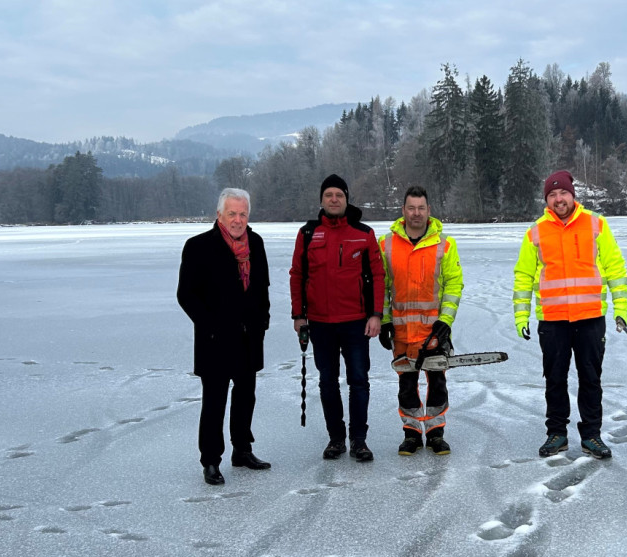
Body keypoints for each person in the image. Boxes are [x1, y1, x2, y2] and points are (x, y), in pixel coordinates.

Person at [513, 170, 627, 460]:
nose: (558, 199)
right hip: (552, 320)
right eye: (552, 195)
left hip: (590, 318)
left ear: (572, 195)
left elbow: (615, 268)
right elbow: (523, 276)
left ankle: (591, 435)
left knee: (590, 379)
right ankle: (557, 434)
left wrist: (621, 310)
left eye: (563, 193)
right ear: (546, 200)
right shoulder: (536, 232)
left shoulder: (595, 224)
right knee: (555, 379)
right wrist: (521, 316)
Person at [177, 188, 271, 486]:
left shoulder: (256, 243)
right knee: (214, 402)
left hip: (248, 338)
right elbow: (186, 295)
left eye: (243, 214)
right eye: (232, 213)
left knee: (245, 396)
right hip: (215, 341)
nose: (238, 219)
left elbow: (262, 288)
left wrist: (262, 322)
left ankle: (242, 450)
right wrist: (211, 326)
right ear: (219, 214)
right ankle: (210, 460)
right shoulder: (199, 246)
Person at [290, 174, 386, 462]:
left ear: (346, 199)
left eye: (339, 195)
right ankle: (336, 438)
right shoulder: (308, 233)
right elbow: (297, 275)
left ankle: (359, 440)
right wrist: (298, 315)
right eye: (329, 195)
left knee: (359, 380)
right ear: (321, 200)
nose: (334, 199)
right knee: (327, 382)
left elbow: (378, 276)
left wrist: (376, 315)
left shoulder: (363, 233)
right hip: (320, 323)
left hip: (356, 321)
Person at [377, 186, 464, 456]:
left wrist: (446, 320)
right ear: (403, 210)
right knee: (407, 385)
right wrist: (384, 321)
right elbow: (382, 287)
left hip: (433, 331)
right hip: (401, 331)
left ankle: (436, 433)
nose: (416, 213)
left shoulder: (444, 244)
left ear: (429, 211)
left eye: (421, 208)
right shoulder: (386, 244)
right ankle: (412, 434)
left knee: (437, 383)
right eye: (411, 208)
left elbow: (454, 284)